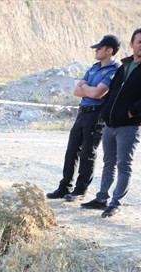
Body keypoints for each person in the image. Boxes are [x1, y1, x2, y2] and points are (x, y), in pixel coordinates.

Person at [46, 35, 120, 200]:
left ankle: (80, 191)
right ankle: (65, 187)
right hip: (83, 112)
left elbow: (97, 93)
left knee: (87, 152)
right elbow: (76, 90)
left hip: (96, 115)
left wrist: (86, 88)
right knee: (71, 151)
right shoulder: (93, 68)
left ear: (109, 51)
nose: (96, 50)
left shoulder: (114, 70)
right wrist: (88, 89)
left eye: (99, 48)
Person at [82, 28, 141, 218]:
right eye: (140, 41)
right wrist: (106, 112)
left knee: (124, 164)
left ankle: (116, 203)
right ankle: (101, 198)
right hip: (110, 123)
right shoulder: (123, 66)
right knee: (108, 163)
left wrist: (131, 111)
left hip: (130, 124)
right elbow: (112, 91)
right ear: (132, 44)